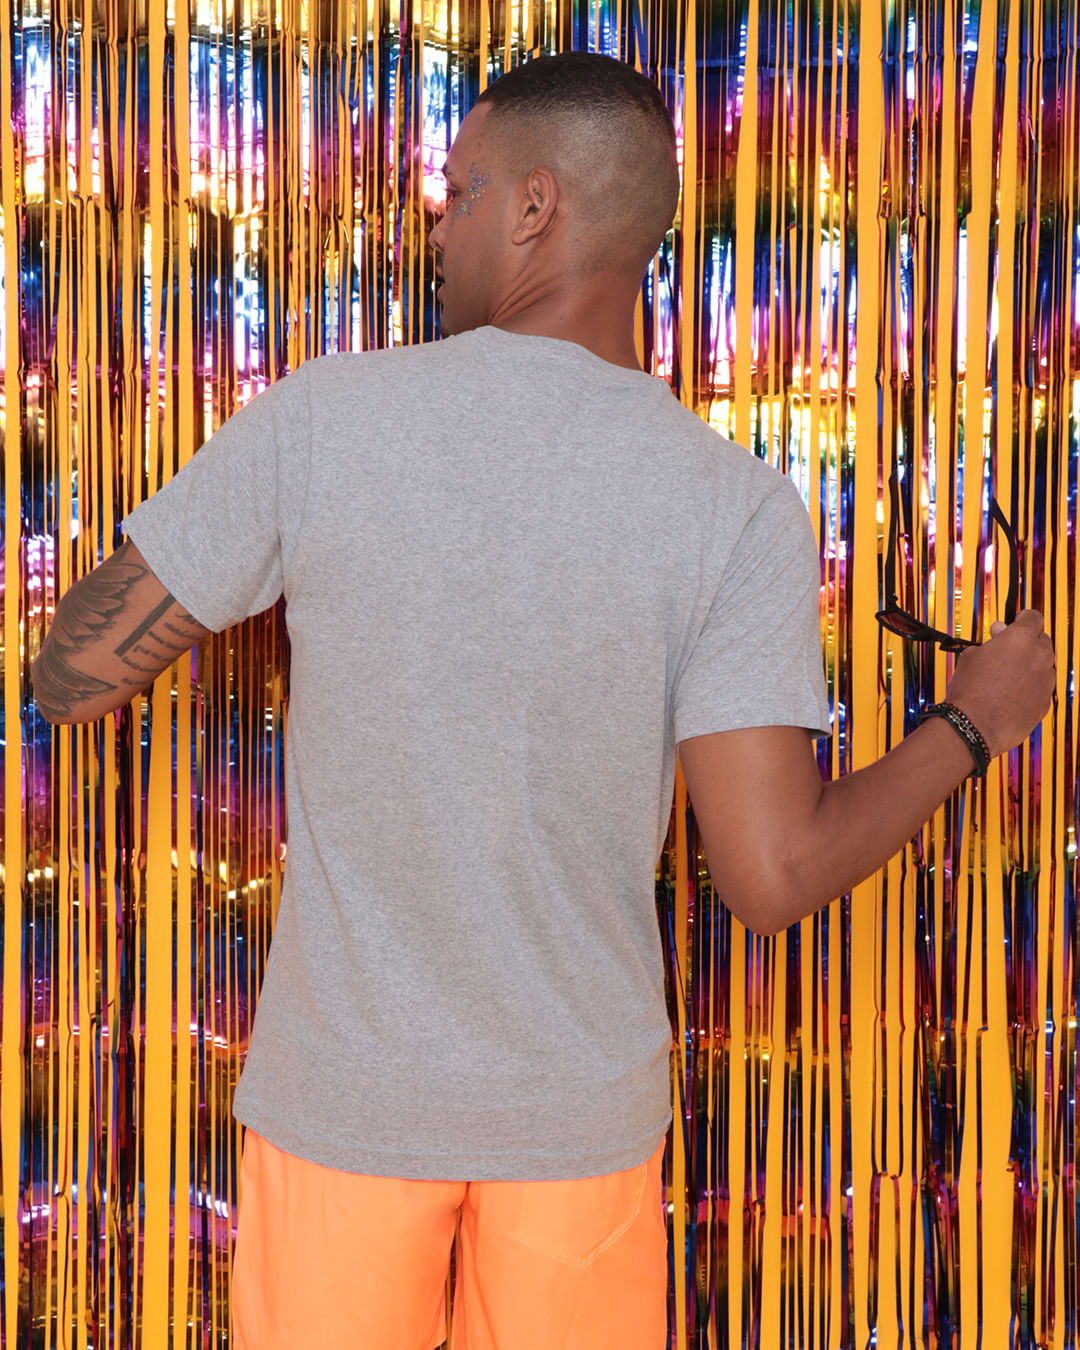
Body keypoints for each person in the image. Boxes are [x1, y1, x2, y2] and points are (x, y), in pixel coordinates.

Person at [31, 50, 1054, 1350]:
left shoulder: (328, 421)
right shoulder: (731, 504)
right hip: (577, 1130)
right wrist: (973, 725)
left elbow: (76, 673)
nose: (437, 226)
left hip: (349, 1110)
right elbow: (774, 873)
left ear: (534, 205)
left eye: (456, 192)